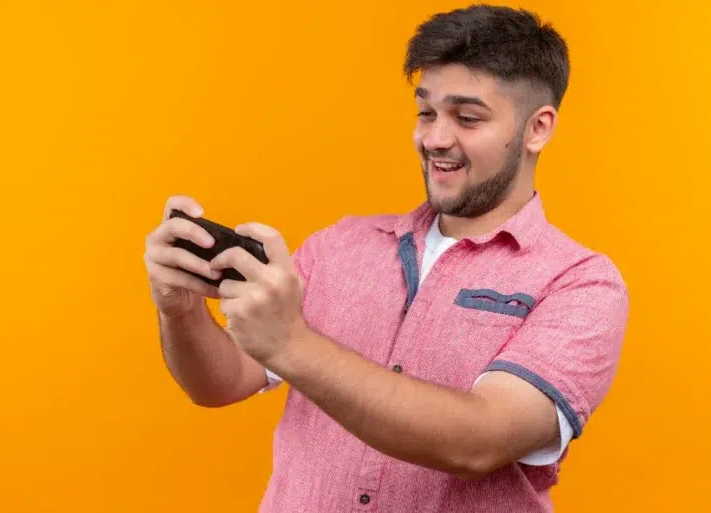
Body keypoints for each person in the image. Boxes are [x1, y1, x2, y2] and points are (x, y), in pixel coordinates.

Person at [143, 4, 629, 512]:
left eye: (467, 117)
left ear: (538, 129)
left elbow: (480, 440)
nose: (435, 139)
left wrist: (290, 342)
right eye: (426, 112)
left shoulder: (581, 284)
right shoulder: (338, 246)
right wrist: (179, 311)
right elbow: (220, 384)